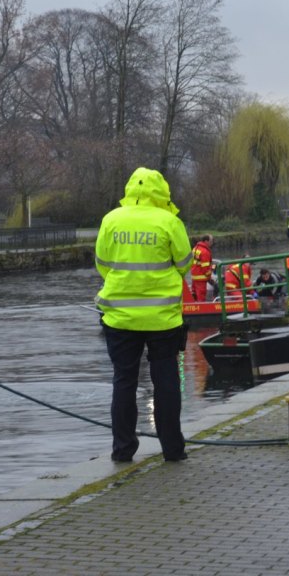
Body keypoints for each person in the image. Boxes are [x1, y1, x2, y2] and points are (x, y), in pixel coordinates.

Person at [94, 167, 192, 463]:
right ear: (161, 192)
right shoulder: (169, 221)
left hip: (120, 318)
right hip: (163, 319)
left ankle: (122, 450)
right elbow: (185, 263)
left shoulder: (111, 220)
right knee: (166, 381)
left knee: (124, 380)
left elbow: (102, 263)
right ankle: (173, 450)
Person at [189, 234, 214, 301]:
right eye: (211, 241)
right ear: (206, 241)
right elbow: (205, 269)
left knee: (195, 294)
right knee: (201, 296)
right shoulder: (205, 252)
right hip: (201, 278)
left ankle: (195, 308)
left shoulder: (195, 248)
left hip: (194, 276)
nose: (212, 243)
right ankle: (201, 309)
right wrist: (210, 278)